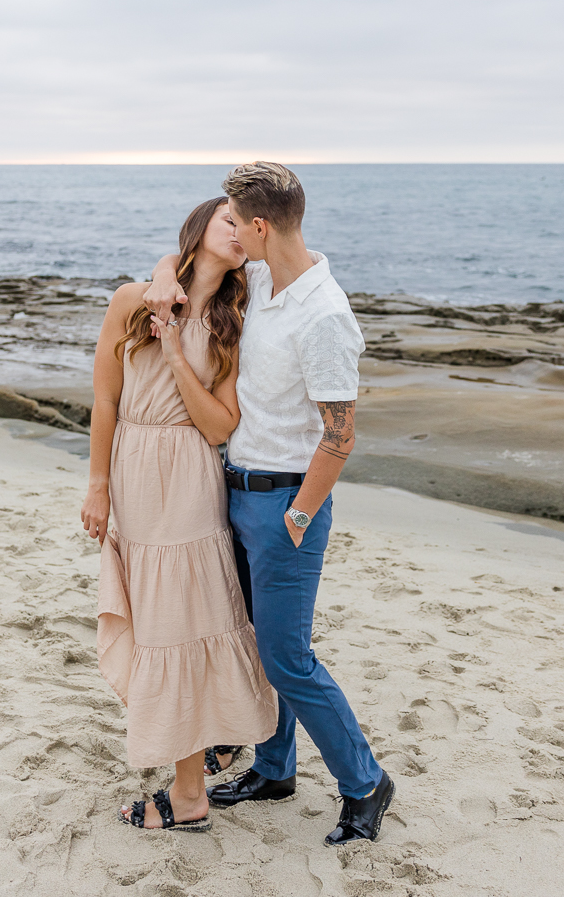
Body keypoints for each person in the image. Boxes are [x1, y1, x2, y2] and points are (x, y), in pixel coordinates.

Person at [145, 162, 395, 847]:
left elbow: (340, 437)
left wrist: (297, 515)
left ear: (259, 227)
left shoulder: (324, 316)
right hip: (236, 491)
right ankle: (276, 768)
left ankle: (365, 781)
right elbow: (187, 256)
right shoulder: (261, 277)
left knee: (286, 657)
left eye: (236, 222)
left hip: (288, 504)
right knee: (259, 649)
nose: (232, 235)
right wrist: (166, 272)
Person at [81, 196, 277, 832]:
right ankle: (203, 756)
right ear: (198, 228)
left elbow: (220, 426)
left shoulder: (232, 324)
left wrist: (173, 355)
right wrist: (97, 485)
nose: (240, 231)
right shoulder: (131, 300)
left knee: (181, 624)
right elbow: (106, 401)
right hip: (134, 473)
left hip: (190, 478)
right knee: (160, 621)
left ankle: (189, 794)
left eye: (248, 225)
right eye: (228, 219)